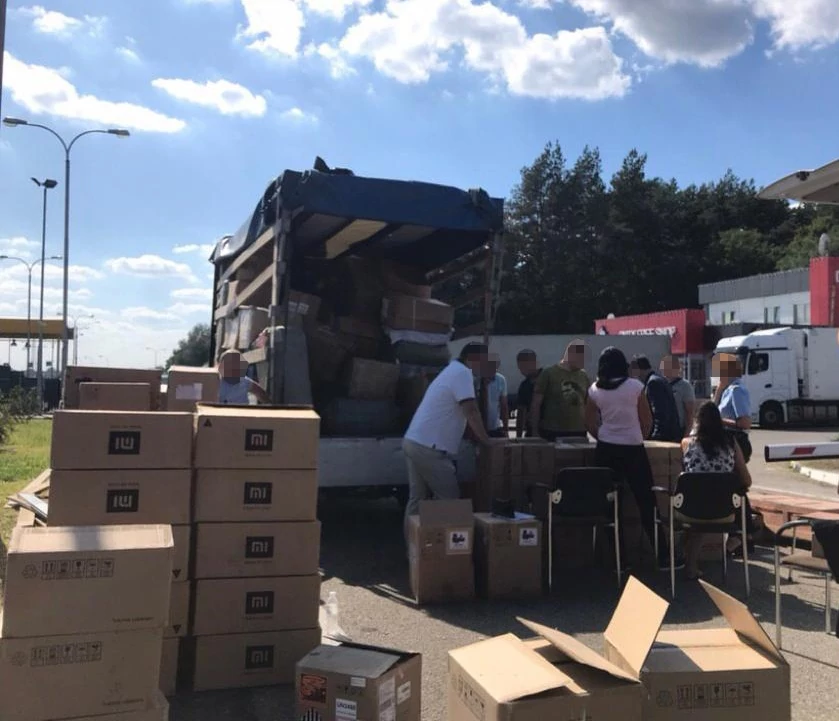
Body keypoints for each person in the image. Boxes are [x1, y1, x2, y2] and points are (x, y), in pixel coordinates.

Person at [586, 347, 683, 571]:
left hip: (606, 450)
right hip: (633, 448)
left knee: (611, 506)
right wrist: (639, 436)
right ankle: (663, 556)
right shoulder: (635, 387)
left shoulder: (594, 389)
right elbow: (647, 420)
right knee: (647, 502)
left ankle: (619, 560)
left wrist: (603, 435)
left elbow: (589, 421)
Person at [402, 342, 495, 538]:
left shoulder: (451, 370)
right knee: (450, 498)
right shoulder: (462, 373)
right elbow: (471, 411)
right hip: (429, 448)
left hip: (414, 441)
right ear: (473, 358)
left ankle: (414, 547)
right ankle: (445, 548)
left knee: (417, 499)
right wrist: (486, 441)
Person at [679, 401, 752, 580]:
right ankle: (736, 541)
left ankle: (688, 561)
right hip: (724, 509)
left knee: (698, 512)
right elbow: (747, 480)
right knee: (739, 495)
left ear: (697, 422)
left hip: (691, 508)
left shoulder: (686, 443)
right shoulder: (731, 443)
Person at [531, 339, 590, 441]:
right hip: (553, 431)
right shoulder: (549, 373)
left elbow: (588, 404)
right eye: (582, 357)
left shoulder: (583, 376)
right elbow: (536, 404)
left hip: (579, 431)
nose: (584, 360)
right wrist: (535, 431)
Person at [630, 355, 682, 442]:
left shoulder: (653, 383)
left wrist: (655, 437)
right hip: (671, 435)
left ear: (638, 369)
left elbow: (659, 413)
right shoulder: (659, 379)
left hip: (664, 437)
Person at [713, 353, 752, 463]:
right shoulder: (726, 389)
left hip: (735, 443)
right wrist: (719, 390)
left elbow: (745, 423)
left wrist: (719, 421)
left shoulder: (737, 390)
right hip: (725, 442)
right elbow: (711, 410)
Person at [660, 355, 696, 437]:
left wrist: (686, 435)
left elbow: (690, 413)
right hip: (662, 429)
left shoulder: (685, 386)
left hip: (678, 431)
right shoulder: (660, 384)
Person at [515, 349, 542, 438]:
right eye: (519, 368)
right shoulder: (524, 386)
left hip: (549, 430)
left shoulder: (548, 378)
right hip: (531, 432)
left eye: (523, 367)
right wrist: (518, 437)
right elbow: (521, 413)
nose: (521, 371)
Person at [481, 353, 509, 438]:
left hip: (495, 426)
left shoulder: (500, 380)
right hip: (479, 427)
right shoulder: (476, 380)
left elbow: (504, 406)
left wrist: (506, 429)